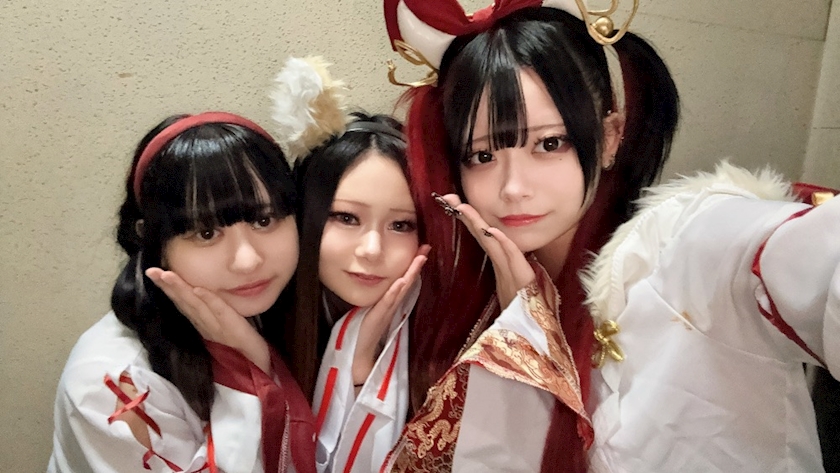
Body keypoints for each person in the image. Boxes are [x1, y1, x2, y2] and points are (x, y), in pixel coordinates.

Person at [381, 0, 840, 471]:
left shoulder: (685, 245)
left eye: (549, 144)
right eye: (482, 156)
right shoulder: (476, 296)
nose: (513, 188)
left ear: (611, 136)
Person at [48, 112, 317, 473]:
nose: (248, 260)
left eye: (263, 220)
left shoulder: (275, 311)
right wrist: (245, 368)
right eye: (206, 233)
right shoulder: (112, 383)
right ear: (154, 241)